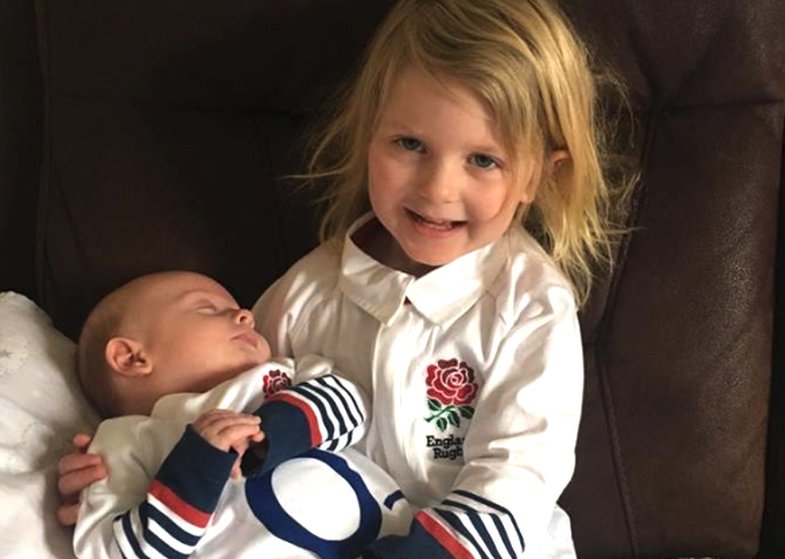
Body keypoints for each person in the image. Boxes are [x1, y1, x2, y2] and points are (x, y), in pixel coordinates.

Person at [59, 1, 629, 557]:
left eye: (483, 160)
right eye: (410, 145)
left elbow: (516, 478)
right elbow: (221, 401)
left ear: (537, 176)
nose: (437, 189)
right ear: (367, 137)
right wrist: (119, 467)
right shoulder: (309, 289)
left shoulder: (530, 303)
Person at [72, 270, 411, 558]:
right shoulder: (125, 439)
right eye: (208, 309)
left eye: (238, 309)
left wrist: (269, 433)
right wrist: (195, 470)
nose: (246, 315)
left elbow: (353, 406)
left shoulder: (282, 379)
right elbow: (110, 551)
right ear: (132, 358)